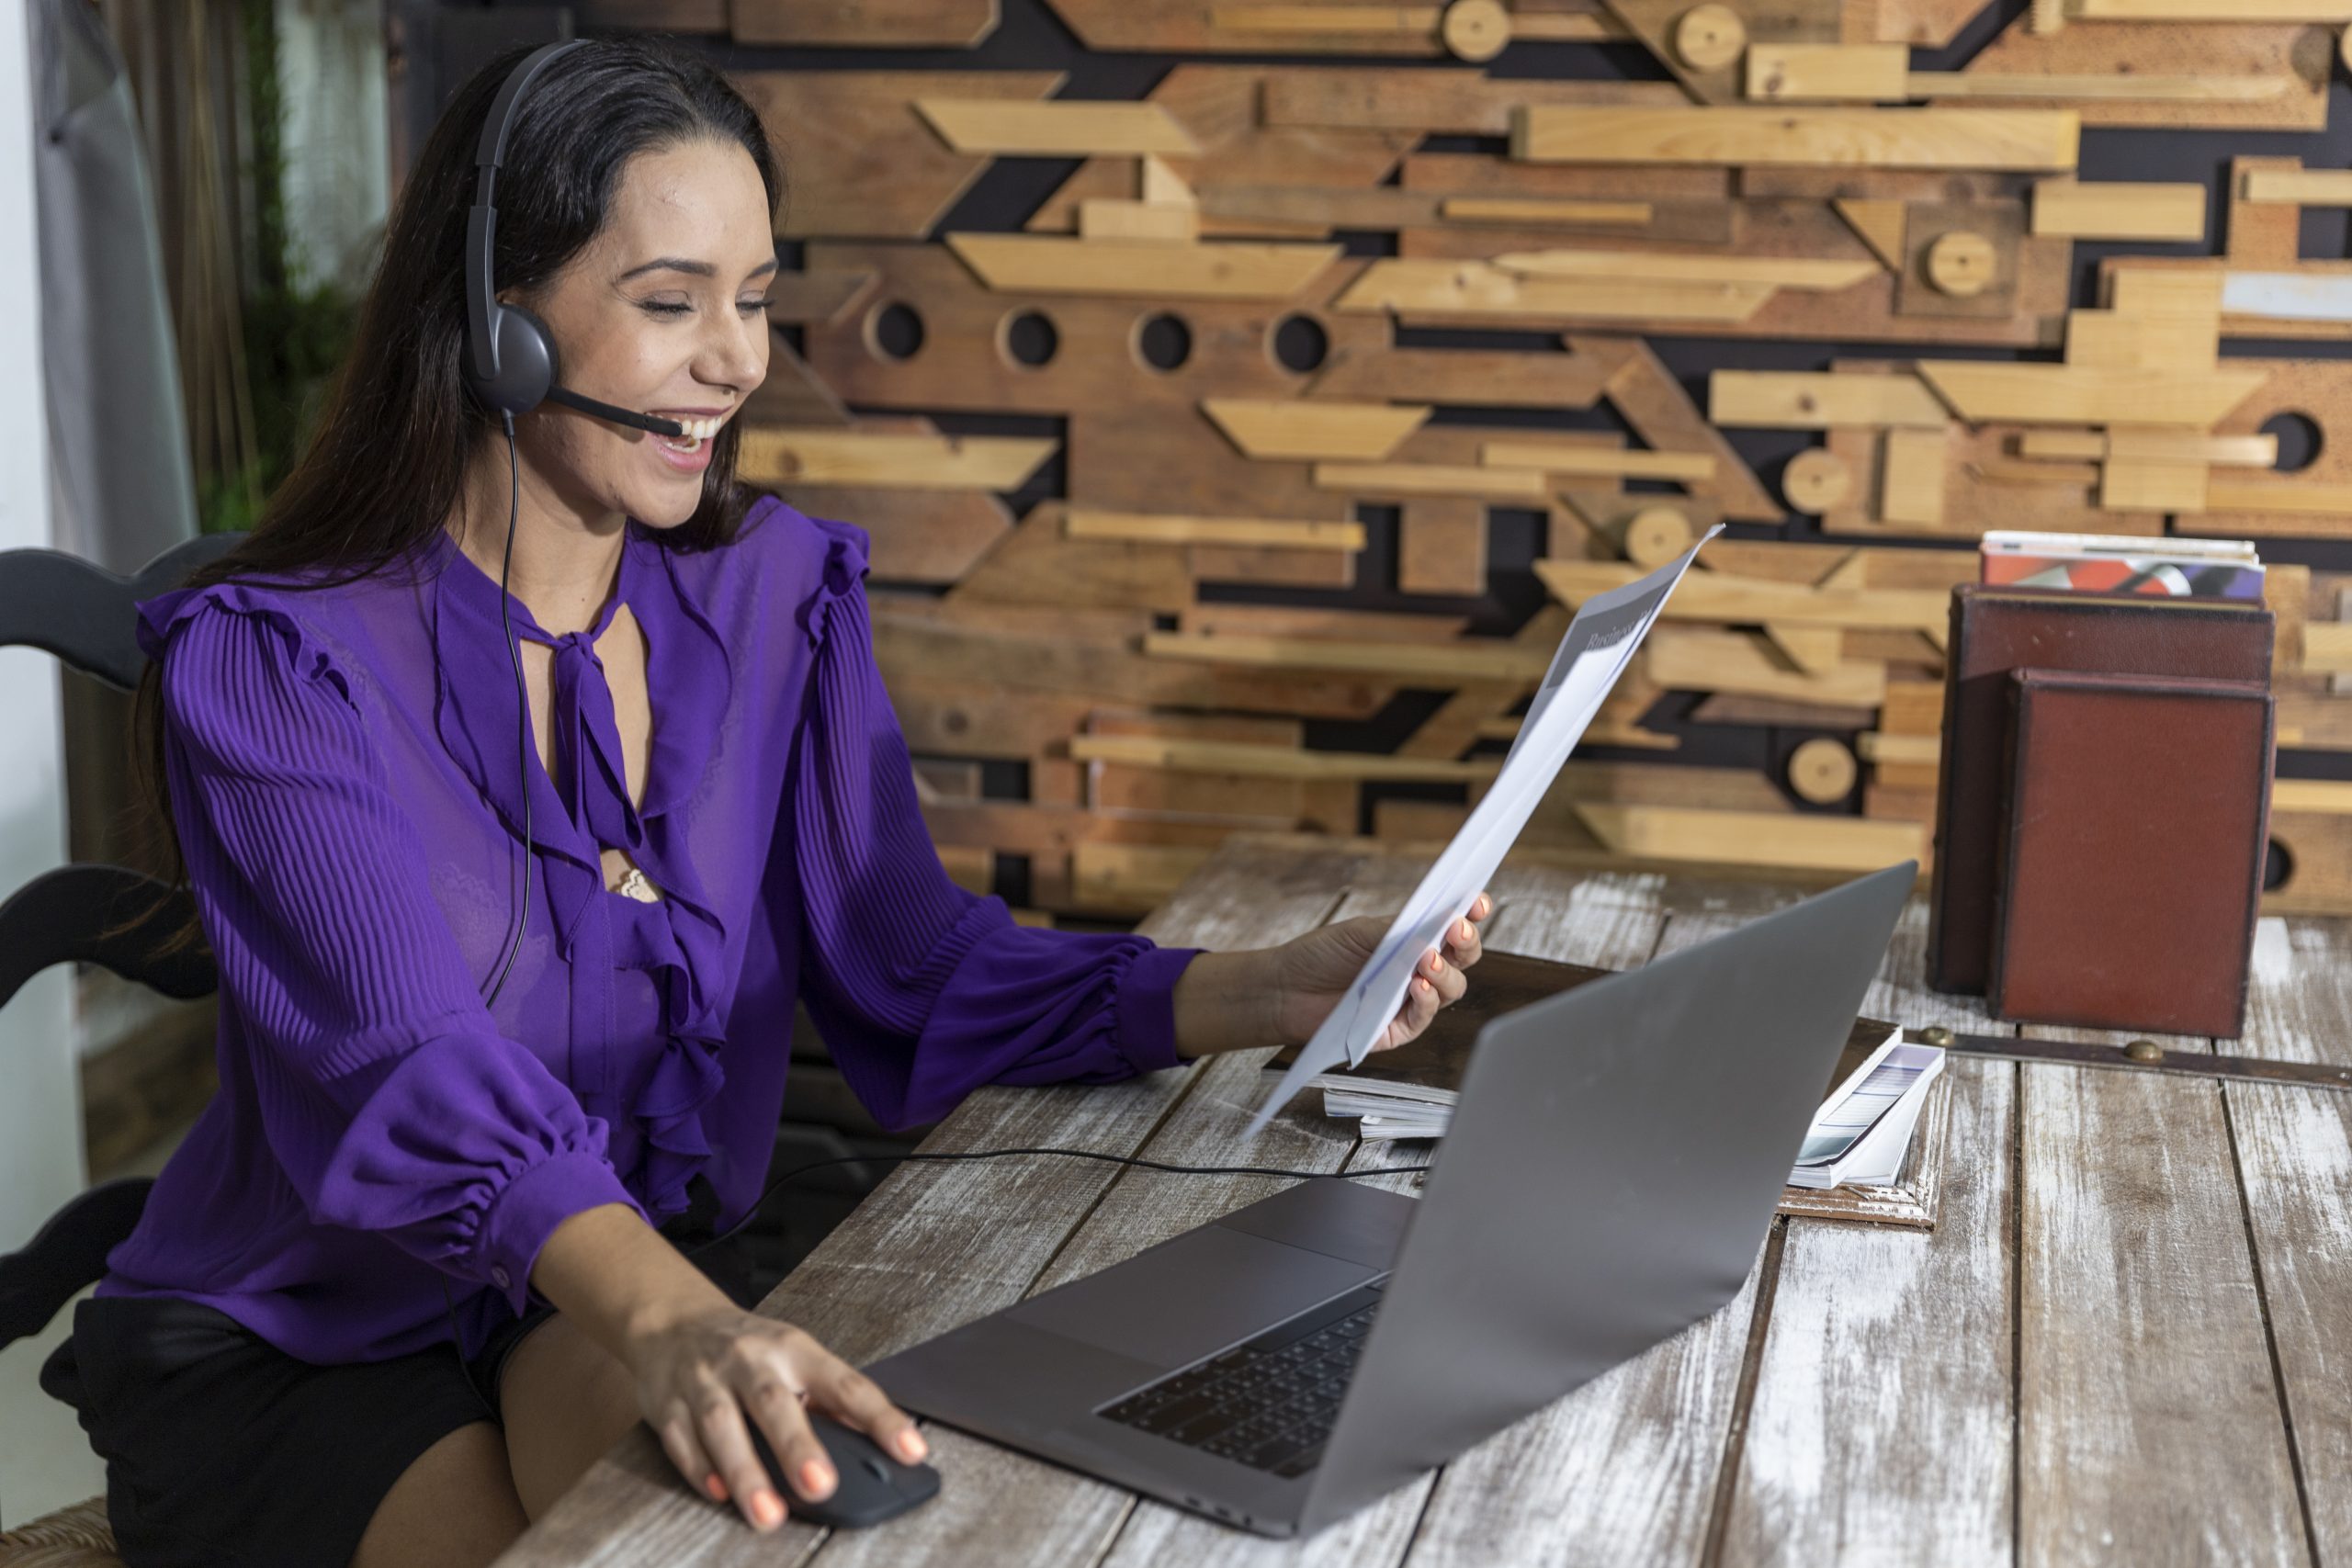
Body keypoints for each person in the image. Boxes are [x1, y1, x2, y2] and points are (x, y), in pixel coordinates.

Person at [36, 37, 1492, 1568]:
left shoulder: (775, 598)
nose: (736, 360)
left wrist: (1262, 986)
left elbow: (913, 961)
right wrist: (675, 1319)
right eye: (670, 303)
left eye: (754, 299)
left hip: (596, 1290)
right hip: (304, 1333)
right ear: (492, 321)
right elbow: (410, 1057)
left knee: (781, 1531)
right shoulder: (271, 662)